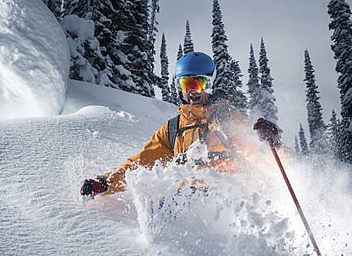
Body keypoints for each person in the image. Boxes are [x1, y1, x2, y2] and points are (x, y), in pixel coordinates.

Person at [80, 51, 280, 197]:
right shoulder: (172, 129)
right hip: (187, 204)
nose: (193, 91)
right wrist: (106, 183)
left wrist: (269, 140)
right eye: (187, 84)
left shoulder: (227, 117)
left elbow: (260, 151)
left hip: (230, 200)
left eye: (199, 84)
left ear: (210, 85)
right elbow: (142, 162)